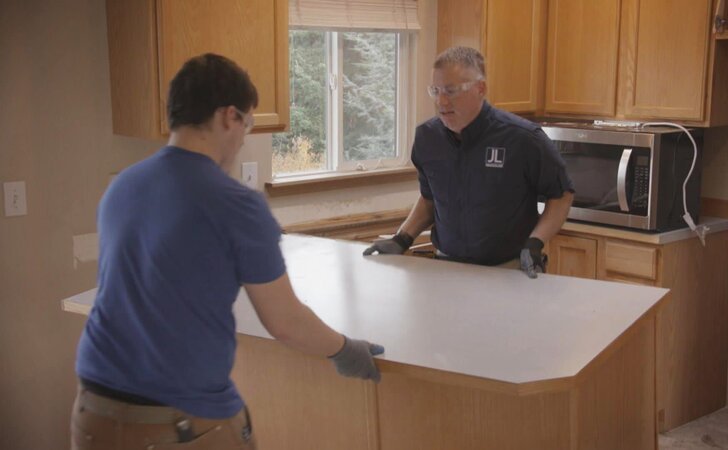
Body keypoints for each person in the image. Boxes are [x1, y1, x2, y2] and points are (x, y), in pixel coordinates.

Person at [71, 53, 383, 450]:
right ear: (228, 116)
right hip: (175, 420)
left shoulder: (124, 185)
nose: (243, 137)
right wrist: (345, 349)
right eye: (248, 123)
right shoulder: (233, 203)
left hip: (93, 409)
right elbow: (285, 321)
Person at [363, 47, 574, 277]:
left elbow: (561, 195)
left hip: (509, 271)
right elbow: (430, 199)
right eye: (435, 91)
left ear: (480, 88)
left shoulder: (523, 139)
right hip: (446, 268)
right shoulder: (427, 138)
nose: (441, 101)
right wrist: (402, 238)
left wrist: (535, 243)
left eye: (451, 91)